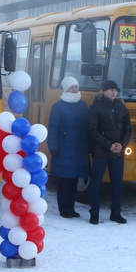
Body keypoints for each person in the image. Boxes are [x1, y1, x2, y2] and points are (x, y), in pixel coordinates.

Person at [86, 80, 132, 224]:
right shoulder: (96, 107)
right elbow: (92, 130)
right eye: (111, 89)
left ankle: (116, 212)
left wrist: (122, 145)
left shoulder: (122, 107)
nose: (114, 92)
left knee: (117, 183)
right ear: (103, 91)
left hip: (118, 153)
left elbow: (128, 129)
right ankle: (94, 213)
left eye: (116, 90)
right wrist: (109, 145)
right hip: (101, 152)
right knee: (96, 183)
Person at [48, 76, 90, 218]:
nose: (74, 89)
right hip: (63, 149)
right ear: (65, 89)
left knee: (73, 181)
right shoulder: (58, 106)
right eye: (71, 87)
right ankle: (64, 209)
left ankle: (71, 208)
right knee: (63, 182)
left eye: (76, 87)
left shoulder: (83, 106)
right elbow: (52, 128)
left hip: (79, 149)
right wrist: (53, 146)